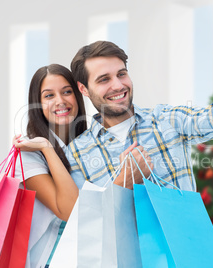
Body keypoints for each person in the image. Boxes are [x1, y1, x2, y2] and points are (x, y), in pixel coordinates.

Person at [67, 40, 213, 192]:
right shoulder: (76, 154)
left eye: (122, 74)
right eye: (104, 79)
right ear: (84, 89)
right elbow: (83, 223)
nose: (118, 85)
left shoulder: (166, 120)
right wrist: (122, 183)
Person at [12, 63, 152, 268]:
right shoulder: (29, 156)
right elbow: (69, 211)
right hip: (53, 259)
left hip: (98, 256)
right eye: (49, 96)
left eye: (67, 92)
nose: (60, 101)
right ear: (37, 104)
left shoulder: (91, 146)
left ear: (78, 95)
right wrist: (47, 148)